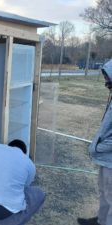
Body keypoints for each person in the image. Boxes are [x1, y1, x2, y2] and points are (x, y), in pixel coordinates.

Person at [0, 140, 45, 225]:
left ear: (8, 146)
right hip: (3, 212)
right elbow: (25, 186)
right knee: (39, 194)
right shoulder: (29, 164)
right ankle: (9, 221)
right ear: (24, 153)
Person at [78, 59, 112, 225]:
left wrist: (97, 148)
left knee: (111, 196)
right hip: (106, 159)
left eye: (108, 78)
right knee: (104, 192)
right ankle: (101, 221)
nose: (106, 82)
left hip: (110, 159)